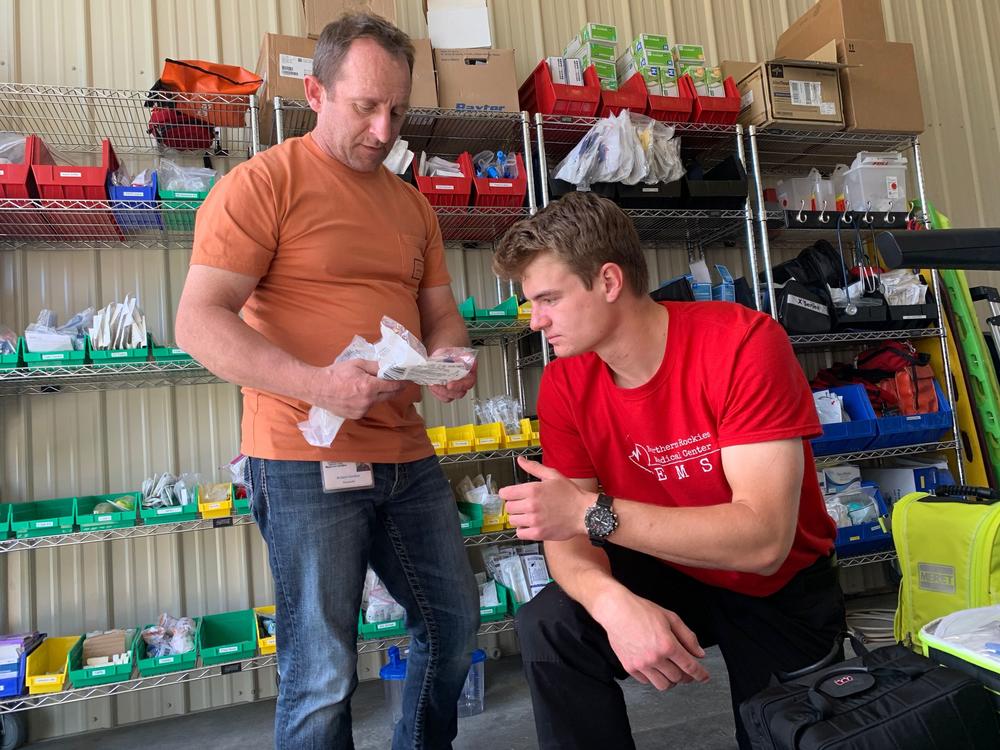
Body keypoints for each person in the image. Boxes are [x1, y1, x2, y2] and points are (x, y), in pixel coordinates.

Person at [175, 13, 480, 750]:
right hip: (305, 460)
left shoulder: (412, 206)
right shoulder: (263, 186)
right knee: (323, 669)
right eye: (366, 107)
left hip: (407, 456)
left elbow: (444, 317)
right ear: (315, 91)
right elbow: (198, 323)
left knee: (454, 625)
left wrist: (450, 361)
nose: (384, 129)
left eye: (398, 111)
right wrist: (318, 385)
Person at [492, 191, 845, 750]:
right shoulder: (564, 382)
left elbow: (763, 542)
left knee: (785, 733)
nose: (536, 321)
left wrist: (590, 514)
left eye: (548, 299)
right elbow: (566, 536)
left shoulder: (743, 344)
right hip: (667, 563)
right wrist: (613, 604)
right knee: (553, 623)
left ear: (608, 282)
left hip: (775, 582)